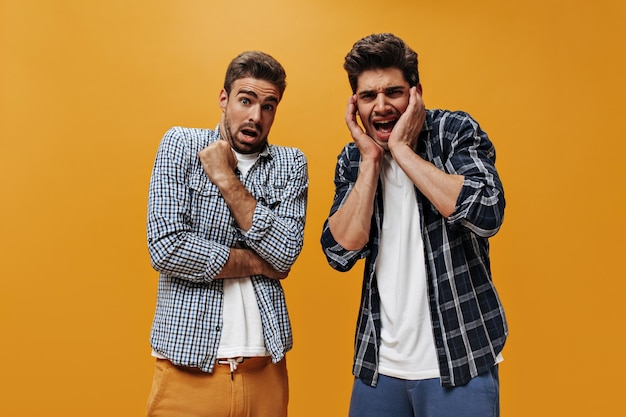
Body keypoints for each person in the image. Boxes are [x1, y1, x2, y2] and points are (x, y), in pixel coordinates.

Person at [320, 33, 507, 417]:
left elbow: (487, 211)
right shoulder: (355, 159)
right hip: (380, 365)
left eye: (394, 92)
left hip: (460, 360)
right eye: (368, 96)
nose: (382, 106)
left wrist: (402, 151)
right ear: (355, 103)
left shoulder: (451, 132)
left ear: (416, 93)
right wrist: (372, 161)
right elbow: (339, 251)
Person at [145, 50, 308, 417]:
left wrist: (224, 177)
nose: (256, 116)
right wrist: (258, 262)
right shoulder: (181, 145)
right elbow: (167, 248)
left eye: (269, 106)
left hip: (265, 368)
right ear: (224, 98)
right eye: (246, 100)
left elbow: (285, 254)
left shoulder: (290, 163)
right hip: (188, 369)